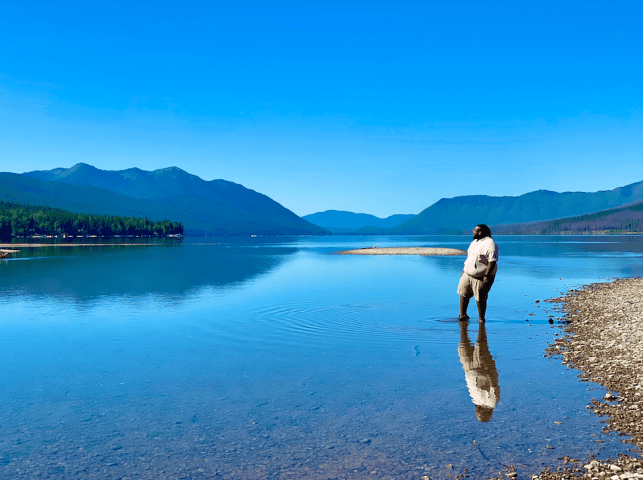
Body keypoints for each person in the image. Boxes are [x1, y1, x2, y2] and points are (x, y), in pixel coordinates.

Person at [458, 320, 500, 422]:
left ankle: (476, 323)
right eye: (479, 414)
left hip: (469, 369)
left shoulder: (476, 401)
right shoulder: (492, 402)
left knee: (463, 344)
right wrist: (487, 370)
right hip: (481, 369)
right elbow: (494, 385)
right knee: (480, 343)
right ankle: (480, 324)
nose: (476, 412)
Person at [457, 224, 498, 322]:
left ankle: (481, 319)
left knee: (480, 298)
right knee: (463, 293)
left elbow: (492, 261)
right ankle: (462, 315)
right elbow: (469, 258)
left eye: (475, 230)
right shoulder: (475, 242)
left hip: (481, 276)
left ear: (480, 232)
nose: (473, 232)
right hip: (467, 274)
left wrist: (487, 276)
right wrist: (464, 270)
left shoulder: (490, 244)